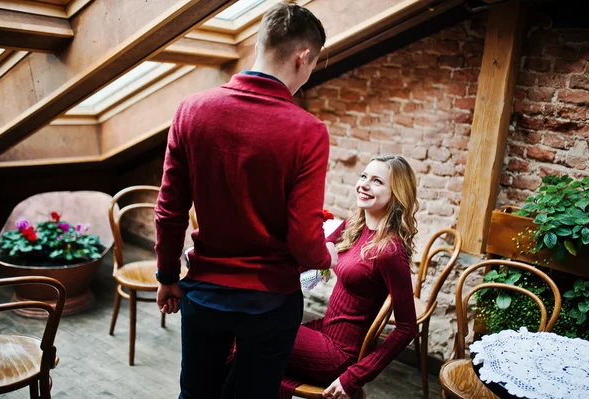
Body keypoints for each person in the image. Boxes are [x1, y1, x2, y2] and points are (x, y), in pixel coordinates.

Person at [153, 3, 338, 399]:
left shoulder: (191, 110)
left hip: (203, 293)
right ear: (303, 57)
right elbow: (303, 239)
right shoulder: (308, 132)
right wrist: (327, 256)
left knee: (196, 395)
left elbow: (169, 210)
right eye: (312, 66)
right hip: (270, 302)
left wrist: (167, 276)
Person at [279, 155, 419, 399]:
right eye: (364, 176)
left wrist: (354, 376)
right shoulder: (355, 223)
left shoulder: (389, 250)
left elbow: (407, 328)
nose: (363, 184)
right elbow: (313, 257)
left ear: (396, 193)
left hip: (340, 355)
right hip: (324, 330)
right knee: (251, 333)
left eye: (377, 181)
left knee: (254, 333)